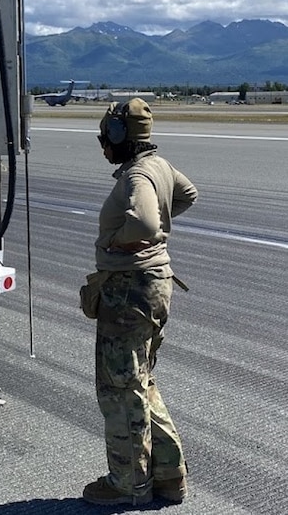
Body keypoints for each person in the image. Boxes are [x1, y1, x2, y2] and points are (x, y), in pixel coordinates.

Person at [81, 98, 198, 507]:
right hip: (153, 286)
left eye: (105, 136)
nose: (102, 144)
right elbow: (187, 194)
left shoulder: (138, 176)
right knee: (140, 382)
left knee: (118, 389)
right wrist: (159, 229)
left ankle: (127, 483)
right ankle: (169, 475)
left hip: (129, 290)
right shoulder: (159, 167)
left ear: (118, 136)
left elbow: (146, 222)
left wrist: (118, 242)